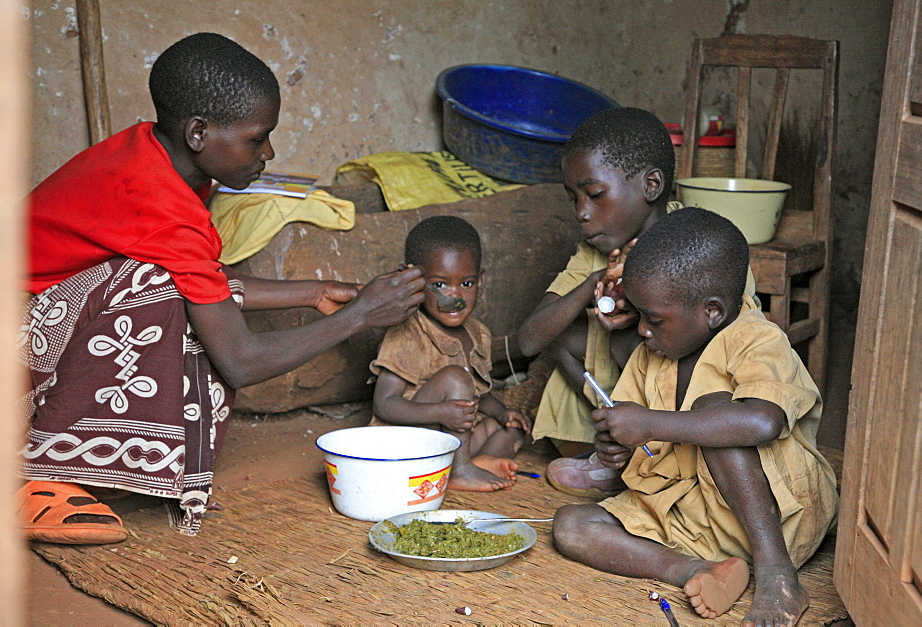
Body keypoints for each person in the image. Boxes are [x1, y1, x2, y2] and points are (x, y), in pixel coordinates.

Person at [18, 32, 426, 544]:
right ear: (197, 133)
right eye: (258, 137)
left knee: (166, 285)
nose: (268, 151)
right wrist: (358, 316)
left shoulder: (156, 155)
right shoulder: (160, 202)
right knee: (156, 292)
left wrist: (312, 292)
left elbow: (203, 279)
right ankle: (38, 476)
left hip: (39, 325)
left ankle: (86, 459)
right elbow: (240, 358)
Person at [552, 208, 838, 626]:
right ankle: (696, 571)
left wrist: (649, 422)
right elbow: (642, 446)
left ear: (713, 312)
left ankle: (778, 577)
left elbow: (762, 422)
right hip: (693, 525)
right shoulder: (653, 354)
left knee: (716, 413)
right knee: (571, 525)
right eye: (640, 314)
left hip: (777, 523)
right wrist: (617, 449)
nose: (644, 330)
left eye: (655, 319)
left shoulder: (757, 340)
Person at [516, 107, 756, 497]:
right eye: (573, 198)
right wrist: (596, 282)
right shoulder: (595, 254)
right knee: (564, 334)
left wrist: (641, 313)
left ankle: (652, 452)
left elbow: (734, 344)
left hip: (688, 407)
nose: (581, 212)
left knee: (646, 338)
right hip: (618, 406)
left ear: (651, 185)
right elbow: (529, 341)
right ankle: (613, 437)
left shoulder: (701, 244)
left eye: (594, 194)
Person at [370, 216, 533, 492]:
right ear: (410, 279)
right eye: (440, 285)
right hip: (409, 443)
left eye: (466, 284)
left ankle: (484, 460)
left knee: (512, 429)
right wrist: (440, 412)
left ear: (481, 281)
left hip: (451, 439)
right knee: (455, 378)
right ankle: (459, 470)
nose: (455, 297)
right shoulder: (408, 334)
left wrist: (502, 412)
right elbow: (384, 405)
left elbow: (477, 394)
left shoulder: (478, 333)